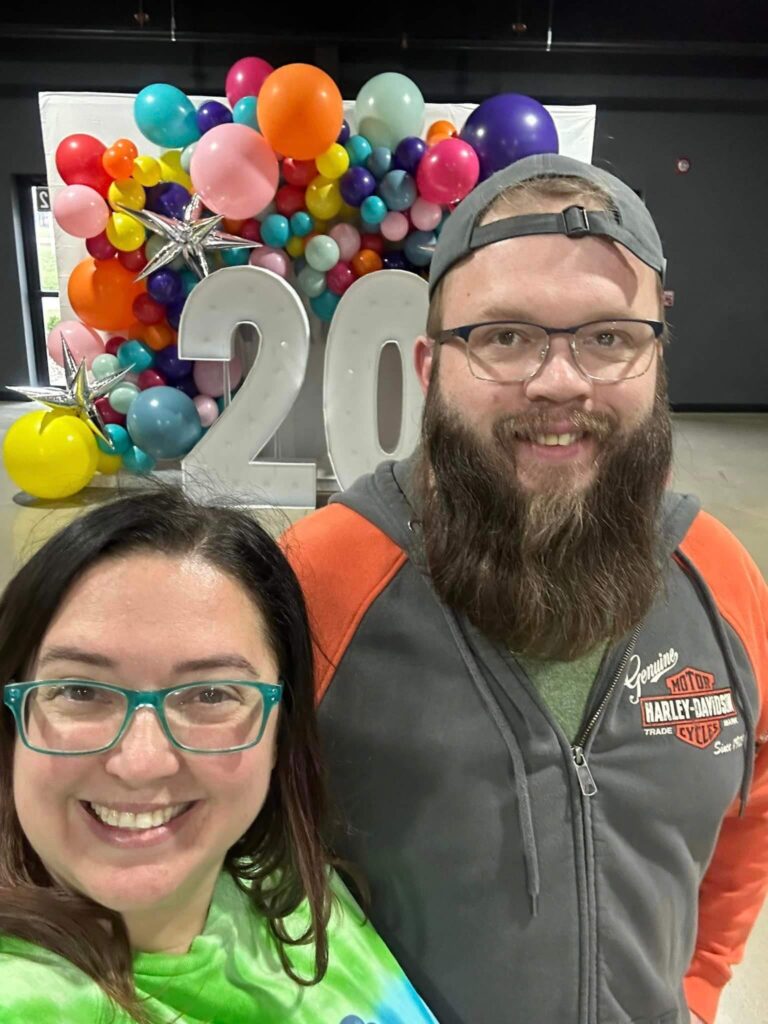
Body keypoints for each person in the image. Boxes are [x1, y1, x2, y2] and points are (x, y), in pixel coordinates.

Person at [283, 153, 768, 1024]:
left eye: (608, 338)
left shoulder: (718, 572)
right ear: (432, 367)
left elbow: (750, 806)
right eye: (505, 336)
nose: (560, 381)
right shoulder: (318, 581)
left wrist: (694, 994)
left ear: (656, 361)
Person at [0, 488, 437, 1024]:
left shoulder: (290, 887)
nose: (140, 762)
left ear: (280, 729)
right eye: (81, 691)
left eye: (210, 695)